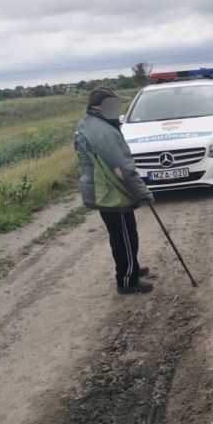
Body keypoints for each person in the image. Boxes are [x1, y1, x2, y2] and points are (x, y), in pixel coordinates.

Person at [74, 87, 156, 294]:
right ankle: (127, 281)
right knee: (124, 239)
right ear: (98, 107)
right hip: (113, 194)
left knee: (124, 236)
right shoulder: (103, 132)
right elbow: (123, 169)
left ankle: (132, 269)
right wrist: (143, 193)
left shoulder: (92, 123)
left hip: (107, 191)